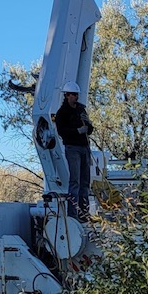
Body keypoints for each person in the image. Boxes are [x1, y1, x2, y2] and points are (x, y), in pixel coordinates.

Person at [54, 81, 94, 220]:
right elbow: (61, 131)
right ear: (67, 95)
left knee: (85, 181)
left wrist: (88, 124)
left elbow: (89, 130)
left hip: (84, 147)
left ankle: (84, 213)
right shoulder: (62, 113)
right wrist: (77, 131)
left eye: (77, 95)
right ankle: (73, 214)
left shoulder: (81, 110)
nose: (76, 97)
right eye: (73, 95)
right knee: (75, 181)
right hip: (72, 148)